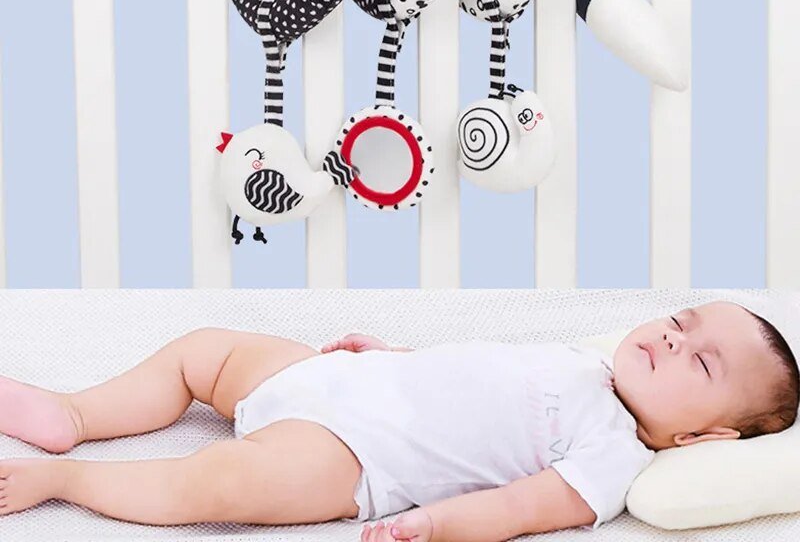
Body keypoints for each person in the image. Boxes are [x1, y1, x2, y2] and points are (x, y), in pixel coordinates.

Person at [0, 300, 795, 542]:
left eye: (699, 362)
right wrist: (390, 351)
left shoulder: (613, 453)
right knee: (206, 351)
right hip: (336, 379)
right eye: (682, 321)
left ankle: (65, 477)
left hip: (350, 455)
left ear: (703, 438)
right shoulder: (582, 358)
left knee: (219, 482)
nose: (669, 338)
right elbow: (472, 370)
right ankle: (74, 412)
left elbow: (521, 509)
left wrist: (435, 527)